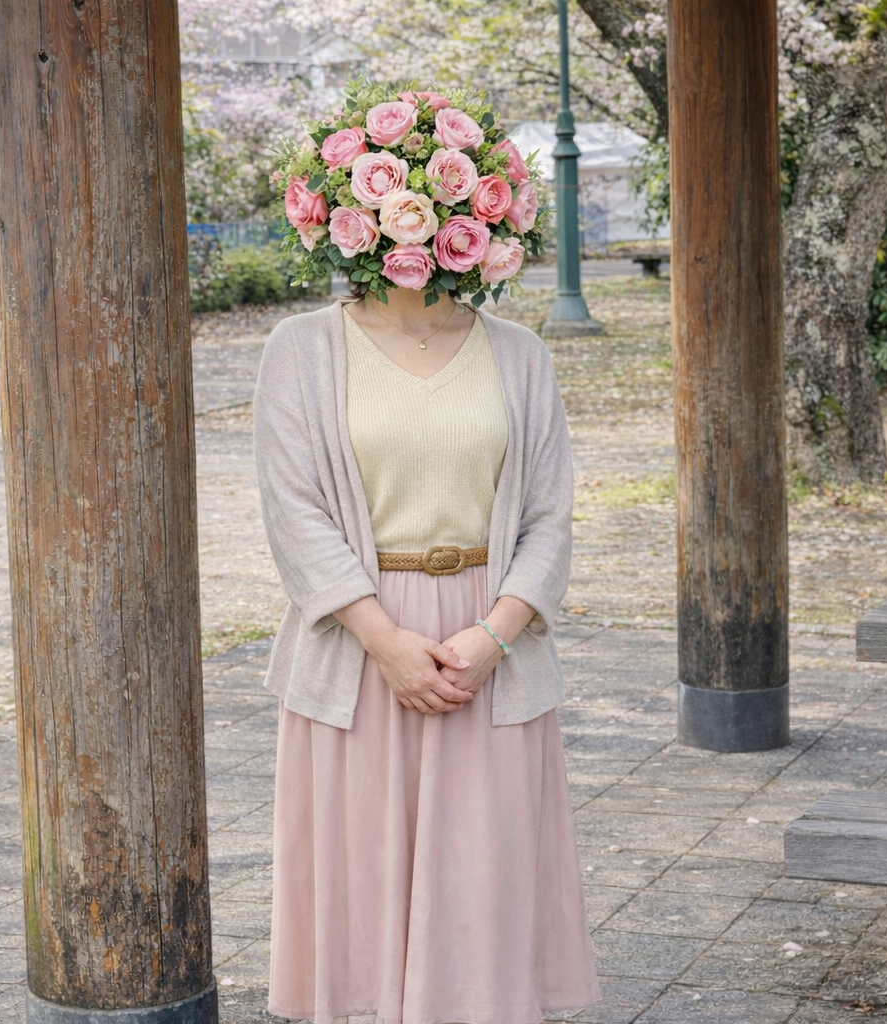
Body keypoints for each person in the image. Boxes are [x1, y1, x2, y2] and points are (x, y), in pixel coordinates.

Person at [254, 228, 601, 1024]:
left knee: (486, 868)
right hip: (358, 644)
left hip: (486, 645)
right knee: (361, 868)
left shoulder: (519, 354)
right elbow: (293, 510)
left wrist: (496, 636)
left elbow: (550, 514)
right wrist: (382, 640)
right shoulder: (300, 348)